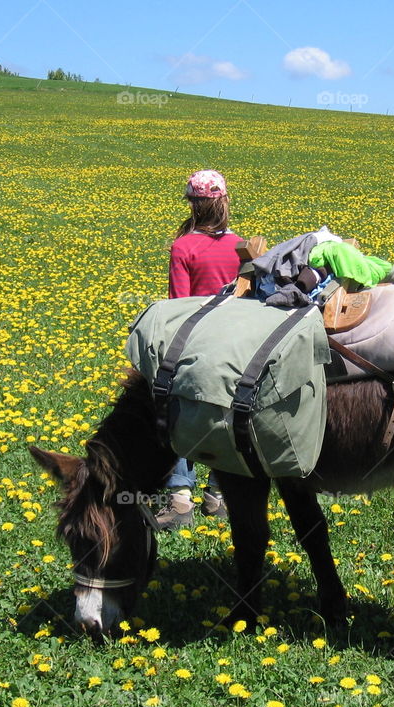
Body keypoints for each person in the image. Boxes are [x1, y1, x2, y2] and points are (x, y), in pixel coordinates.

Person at [155, 170, 242, 529]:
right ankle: (218, 496)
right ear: (224, 202)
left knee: (177, 411)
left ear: (192, 204)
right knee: (230, 416)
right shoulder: (241, 245)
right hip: (237, 345)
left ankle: (180, 500)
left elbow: (179, 305)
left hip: (196, 343)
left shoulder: (183, 247)